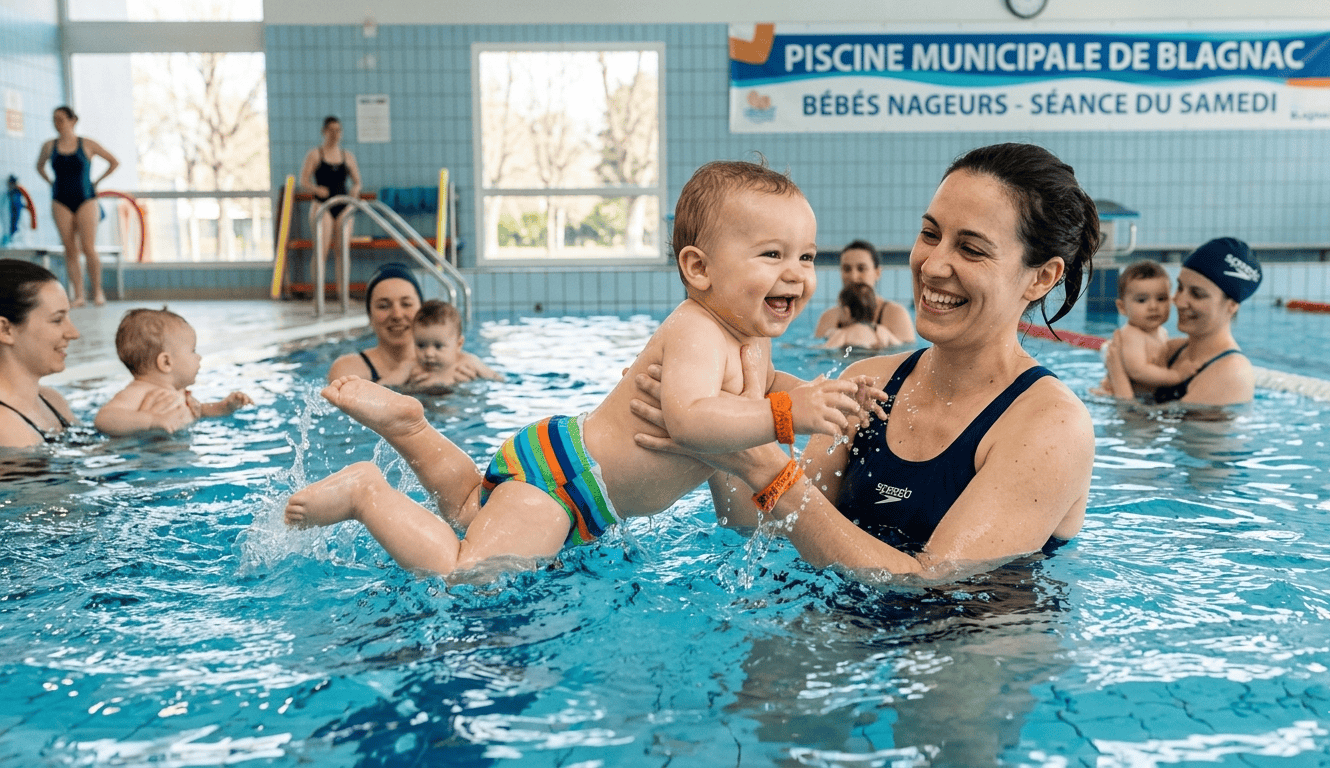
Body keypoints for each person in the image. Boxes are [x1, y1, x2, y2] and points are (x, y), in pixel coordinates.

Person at [285, 159, 881, 576]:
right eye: (772, 254)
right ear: (699, 269)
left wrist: (814, 395)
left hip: (570, 475)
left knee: (471, 507)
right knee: (471, 573)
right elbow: (692, 420)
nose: (798, 273)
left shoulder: (749, 335)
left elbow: (762, 387)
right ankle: (367, 492)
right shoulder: (698, 327)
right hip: (565, 487)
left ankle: (411, 427)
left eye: (805, 255)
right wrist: (788, 414)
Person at [632, 143, 1099, 579]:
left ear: (1041, 277)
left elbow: (933, 583)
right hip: (838, 636)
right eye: (930, 234)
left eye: (971, 249)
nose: (933, 265)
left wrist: (763, 465)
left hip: (964, 655)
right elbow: (767, 531)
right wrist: (718, 434)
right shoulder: (869, 381)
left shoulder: (1051, 425)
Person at [1100, 237, 1261, 407]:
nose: (1178, 301)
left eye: (1197, 294)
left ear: (1232, 305)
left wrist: (1117, 374)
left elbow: (1136, 424)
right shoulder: (1174, 349)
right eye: (1180, 288)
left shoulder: (1231, 371)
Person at [94, 308, 253, 437]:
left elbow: (200, 412)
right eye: (193, 350)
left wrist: (226, 406)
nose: (198, 357)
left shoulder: (180, 393)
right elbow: (105, 418)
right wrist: (153, 420)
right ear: (166, 362)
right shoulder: (138, 391)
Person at [35, 106, 119, 307]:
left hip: (86, 199)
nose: (57, 123)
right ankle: (79, 294)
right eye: (54, 119)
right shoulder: (49, 146)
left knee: (88, 247)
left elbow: (113, 162)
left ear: (73, 121)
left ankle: (97, 292)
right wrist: (50, 182)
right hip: (60, 200)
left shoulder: (87, 144)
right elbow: (39, 167)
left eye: (61, 119)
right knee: (70, 248)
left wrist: (97, 182)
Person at [0, 260, 83, 448]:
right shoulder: (4, 426)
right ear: (5, 330)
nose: (73, 333)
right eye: (57, 320)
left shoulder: (52, 400)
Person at [1091, 260, 1181, 397]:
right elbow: (1138, 371)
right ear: (1122, 307)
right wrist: (1175, 376)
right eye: (1142, 300)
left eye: (1161, 298)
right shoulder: (1131, 335)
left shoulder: (1163, 332)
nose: (1153, 306)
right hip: (1117, 396)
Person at [326, 263, 423, 386]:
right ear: (369, 315)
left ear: (422, 311)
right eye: (383, 306)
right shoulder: (349, 371)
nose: (397, 315)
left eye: (406, 304)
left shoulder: (451, 363)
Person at [299, 116, 362, 296]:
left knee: (342, 252)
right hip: (322, 207)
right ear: (324, 132)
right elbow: (304, 180)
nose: (335, 134)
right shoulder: (315, 154)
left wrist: (354, 194)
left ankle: (344, 295)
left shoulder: (347, 156)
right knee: (321, 251)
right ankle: (318, 296)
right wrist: (316, 189)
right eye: (331, 130)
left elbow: (358, 182)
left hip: (343, 206)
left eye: (338, 130)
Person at [813, 239, 915, 346]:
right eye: (847, 269)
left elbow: (908, 357)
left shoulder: (895, 314)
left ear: (877, 273)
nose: (853, 277)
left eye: (861, 269)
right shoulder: (829, 317)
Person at [405, 299, 502, 391]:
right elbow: (393, 389)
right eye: (421, 345)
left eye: (438, 346)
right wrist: (411, 388)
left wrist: (473, 385)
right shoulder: (412, 366)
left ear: (458, 344)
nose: (429, 353)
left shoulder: (468, 362)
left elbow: (499, 380)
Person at [822, 283, 900, 350]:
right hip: (875, 354)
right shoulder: (881, 330)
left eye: (840, 308)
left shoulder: (843, 333)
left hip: (854, 356)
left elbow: (828, 348)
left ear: (846, 311)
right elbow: (899, 347)